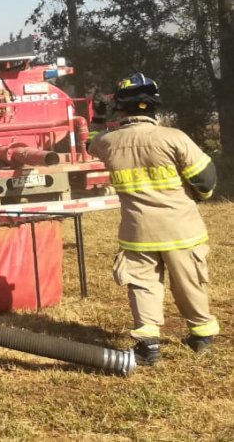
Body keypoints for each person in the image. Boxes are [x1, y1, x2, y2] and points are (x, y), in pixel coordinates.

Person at [89, 73, 219, 365]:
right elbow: (206, 178)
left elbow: (91, 142)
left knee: (143, 285)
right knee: (189, 283)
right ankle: (201, 338)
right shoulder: (174, 138)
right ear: (155, 105)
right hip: (182, 229)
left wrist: (97, 117)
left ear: (120, 108)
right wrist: (203, 195)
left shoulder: (108, 143)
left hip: (138, 232)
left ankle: (149, 347)